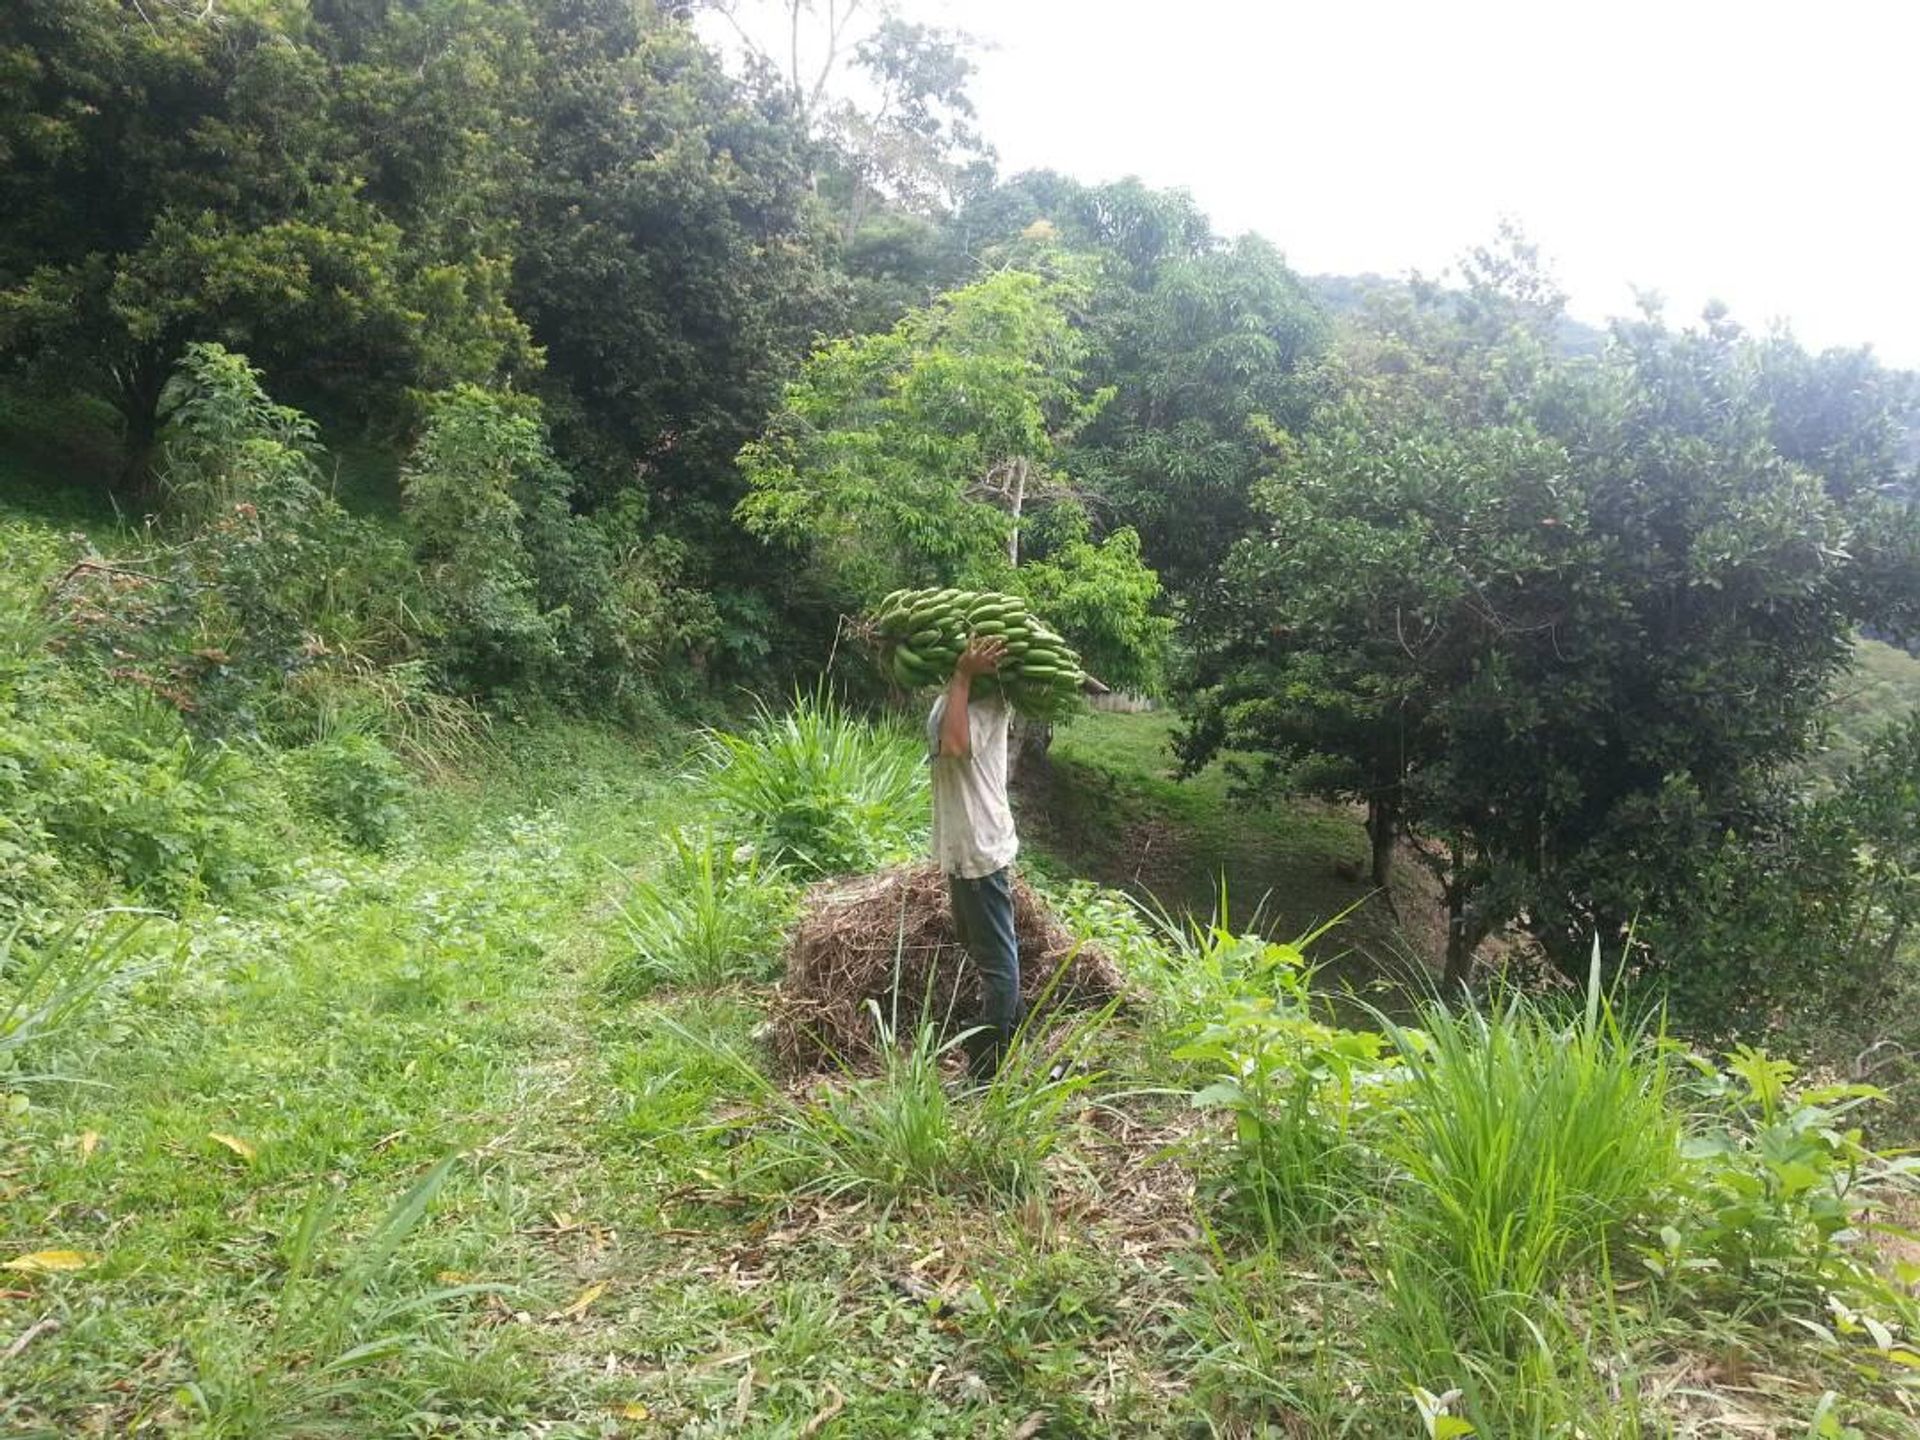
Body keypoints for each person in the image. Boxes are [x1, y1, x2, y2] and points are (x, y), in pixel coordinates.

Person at [928, 635, 1022, 1081]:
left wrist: (964, 675)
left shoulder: (989, 703)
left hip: (981, 851)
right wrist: (957, 678)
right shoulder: (958, 694)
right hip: (962, 848)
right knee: (982, 949)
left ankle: (987, 1070)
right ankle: (1013, 1031)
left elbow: (954, 746)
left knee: (998, 964)